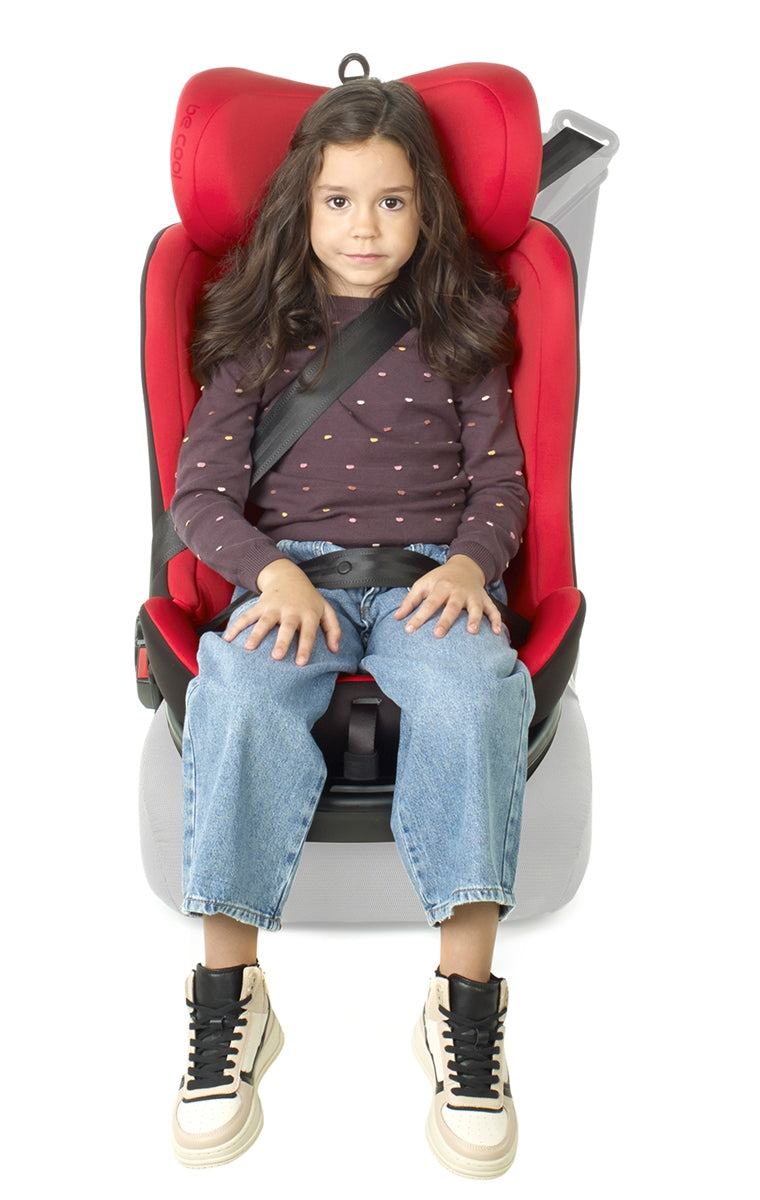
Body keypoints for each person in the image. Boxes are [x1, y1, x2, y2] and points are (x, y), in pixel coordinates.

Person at [167, 75, 535, 1180]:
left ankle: (463, 1003)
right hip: (295, 580)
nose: (363, 227)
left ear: (427, 207)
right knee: (240, 691)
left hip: (428, 578)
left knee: (471, 693)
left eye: (390, 201)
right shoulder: (258, 333)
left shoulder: (461, 328)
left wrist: (468, 565)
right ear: (302, 203)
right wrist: (270, 574)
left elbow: (502, 485)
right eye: (338, 201)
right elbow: (198, 496)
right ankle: (230, 998)